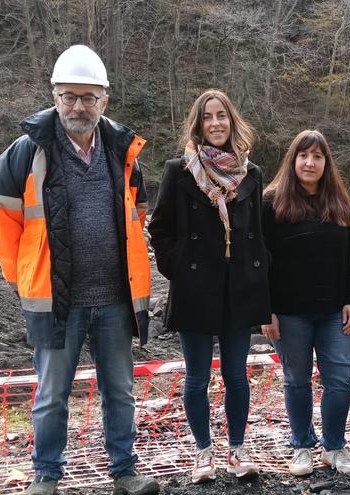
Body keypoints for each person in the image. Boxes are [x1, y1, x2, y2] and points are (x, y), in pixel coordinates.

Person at [0, 45, 158, 495]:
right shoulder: (27, 152)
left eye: (87, 97)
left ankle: (125, 470)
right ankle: (46, 475)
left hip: (115, 300)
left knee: (119, 391)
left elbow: (136, 213)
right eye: (68, 96)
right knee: (51, 395)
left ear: (104, 99)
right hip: (57, 299)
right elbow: (0, 220)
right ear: (54, 96)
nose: (77, 106)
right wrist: (21, 278)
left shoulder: (122, 151)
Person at [147, 89, 270, 483]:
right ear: (198, 125)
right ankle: (203, 452)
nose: (215, 123)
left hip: (240, 290)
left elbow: (261, 234)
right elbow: (160, 228)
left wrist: (258, 270)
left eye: (222, 116)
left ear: (232, 121)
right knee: (197, 377)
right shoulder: (178, 171)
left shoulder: (252, 173)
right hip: (196, 288)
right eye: (207, 117)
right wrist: (179, 266)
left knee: (237, 375)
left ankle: (237, 449)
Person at [260, 130, 350, 477]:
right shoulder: (271, 203)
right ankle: (302, 446)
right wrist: (265, 310)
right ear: (293, 160)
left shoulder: (339, 203)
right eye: (304, 156)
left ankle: (335, 447)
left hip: (334, 312)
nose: (310, 163)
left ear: (326, 163)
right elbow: (259, 262)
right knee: (296, 380)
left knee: (339, 379)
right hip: (289, 314)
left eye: (318, 157)